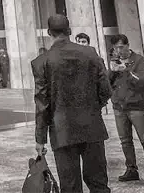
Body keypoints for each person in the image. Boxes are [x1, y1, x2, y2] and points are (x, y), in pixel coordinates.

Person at [32, 15, 111, 193]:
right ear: (69, 31)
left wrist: (40, 138)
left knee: (70, 185)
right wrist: (94, 106)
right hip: (91, 124)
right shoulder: (90, 53)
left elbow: (42, 103)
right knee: (99, 182)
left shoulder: (41, 62)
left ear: (48, 33)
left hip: (62, 129)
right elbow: (106, 88)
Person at [109, 34, 144, 186]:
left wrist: (126, 71)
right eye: (116, 48)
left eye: (121, 47)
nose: (118, 50)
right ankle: (131, 170)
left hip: (137, 107)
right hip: (119, 107)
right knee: (125, 141)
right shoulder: (114, 62)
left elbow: (143, 82)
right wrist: (112, 71)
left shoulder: (139, 60)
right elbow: (107, 83)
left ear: (127, 45)